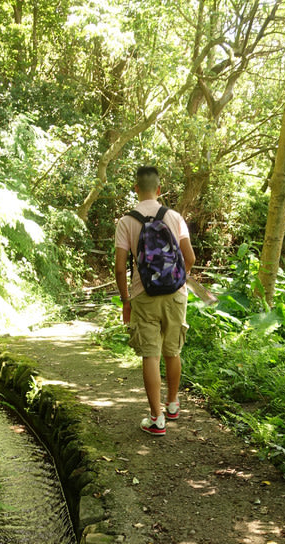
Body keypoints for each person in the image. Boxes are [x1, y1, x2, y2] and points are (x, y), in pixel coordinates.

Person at [114, 166, 196, 435]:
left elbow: (119, 266)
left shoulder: (126, 222)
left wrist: (126, 300)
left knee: (151, 354)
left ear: (135, 188)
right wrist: (178, 281)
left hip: (143, 295)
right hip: (175, 294)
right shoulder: (174, 217)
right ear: (159, 190)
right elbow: (190, 258)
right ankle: (173, 404)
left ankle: (156, 418)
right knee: (172, 350)